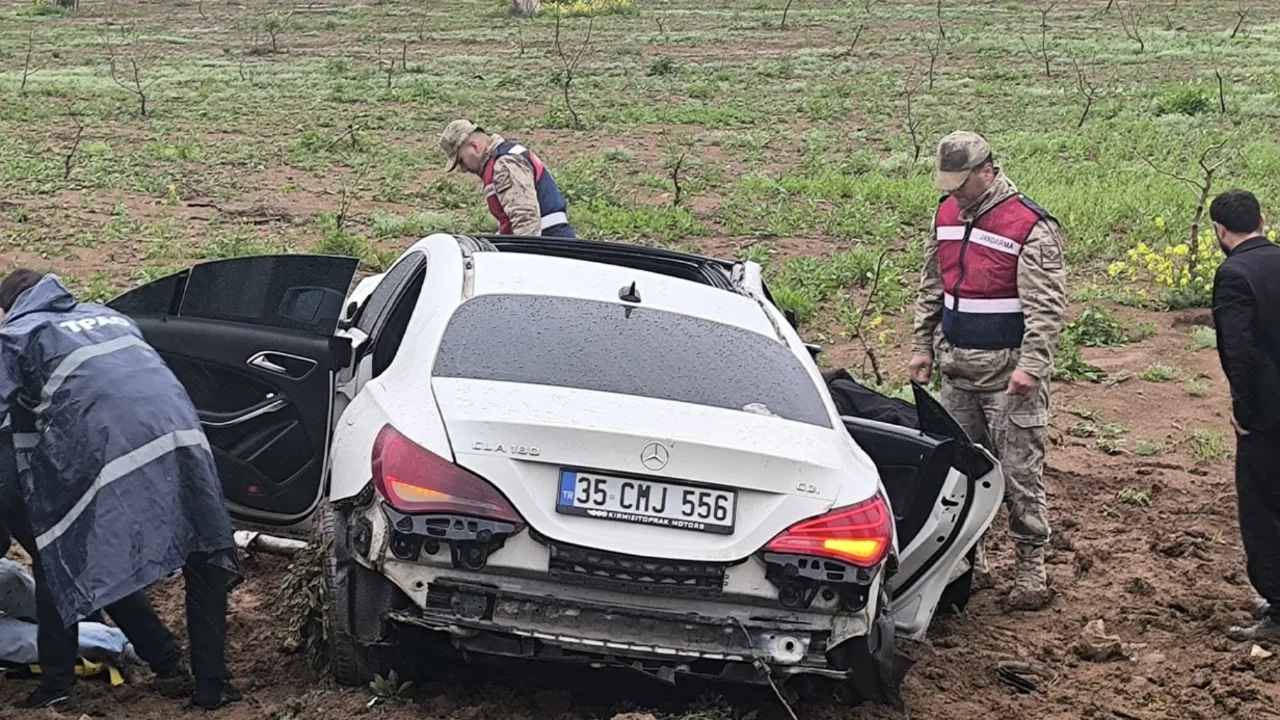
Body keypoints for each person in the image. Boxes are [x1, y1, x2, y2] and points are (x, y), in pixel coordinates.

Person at [0, 269, 243, 710]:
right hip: (181, 434)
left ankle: (59, 686)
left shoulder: (16, 334)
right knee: (203, 554)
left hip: (105, 445)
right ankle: (208, 684)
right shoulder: (106, 316)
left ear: (6, 311)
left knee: (63, 555)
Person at [907, 131, 1068, 611]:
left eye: (963, 184)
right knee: (957, 474)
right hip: (956, 372)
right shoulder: (945, 215)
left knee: (1020, 474)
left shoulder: (1029, 225)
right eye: (949, 185)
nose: (956, 193)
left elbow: (1047, 307)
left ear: (987, 171)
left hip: (1008, 378)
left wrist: (1033, 367)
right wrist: (922, 347)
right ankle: (965, 565)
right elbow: (931, 286)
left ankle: (1031, 571)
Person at [1205, 189, 1280, 641]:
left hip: (1268, 416)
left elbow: (1242, 353)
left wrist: (1245, 413)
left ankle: (1277, 610)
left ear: (1219, 229)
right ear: (1263, 219)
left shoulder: (1234, 275)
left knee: (1263, 510)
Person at [437, 119, 577, 239]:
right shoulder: (506, 157)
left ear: (475, 146)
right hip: (552, 242)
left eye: (461, 160)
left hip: (548, 248)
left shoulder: (504, 164)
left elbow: (525, 220)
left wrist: (523, 261)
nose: (463, 169)